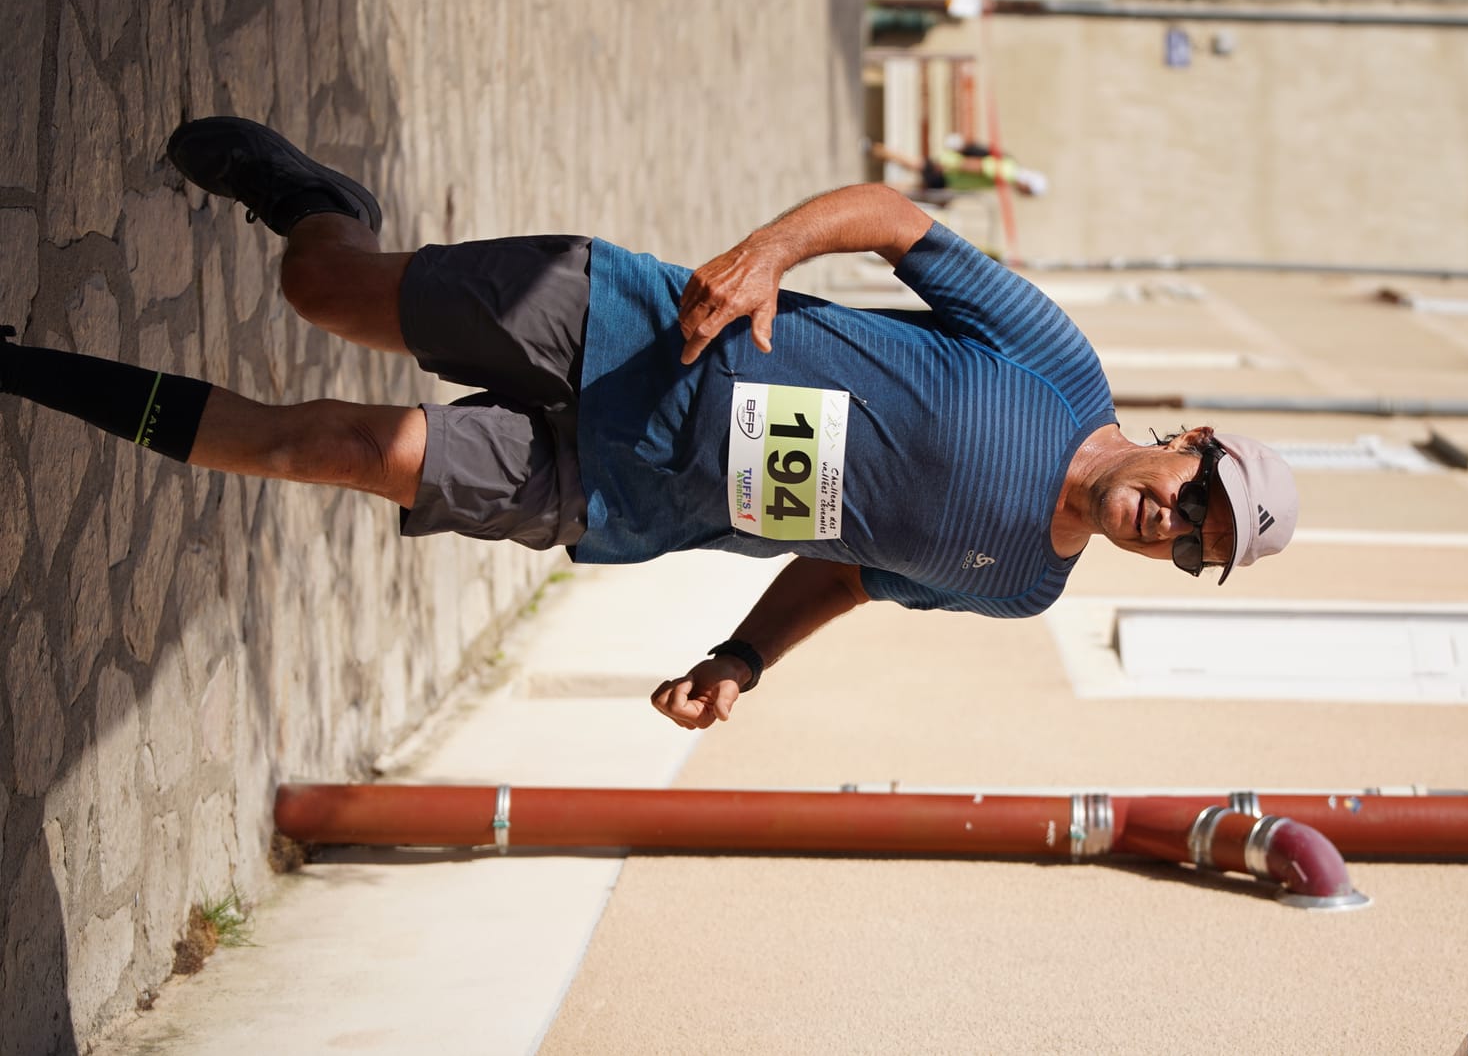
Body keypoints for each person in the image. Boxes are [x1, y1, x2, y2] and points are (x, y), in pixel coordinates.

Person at [1, 118, 1298, 729]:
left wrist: (742, 656)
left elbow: (849, 568)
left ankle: (18, 370)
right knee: (323, 291)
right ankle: (311, 198)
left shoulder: (1022, 585)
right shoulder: (1057, 365)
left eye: (1197, 548)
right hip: (635, 326)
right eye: (1198, 497)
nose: (1173, 525)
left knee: (337, 448)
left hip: (622, 491)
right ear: (1186, 441)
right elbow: (898, 223)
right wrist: (765, 256)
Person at [868, 138, 1049, 199]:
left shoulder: (1010, 170)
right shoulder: (1008, 172)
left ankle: (874, 152)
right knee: (911, 181)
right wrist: (949, 165)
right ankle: (870, 188)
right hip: (950, 173)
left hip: (950, 172)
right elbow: (977, 166)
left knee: (912, 168)